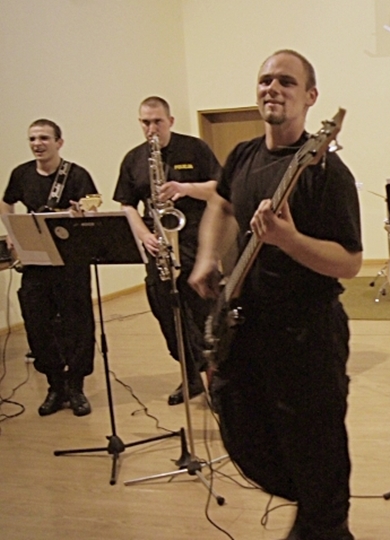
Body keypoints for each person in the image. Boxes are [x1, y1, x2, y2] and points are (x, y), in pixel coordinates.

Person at [189, 50, 361, 540]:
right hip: (245, 326)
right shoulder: (243, 155)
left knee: (317, 449)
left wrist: (289, 240)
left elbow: (349, 262)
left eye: (287, 81)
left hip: (307, 333)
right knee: (243, 432)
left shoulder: (325, 172)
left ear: (310, 97)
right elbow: (222, 205)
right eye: (266, 79)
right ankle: (313, 508)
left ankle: (324, 523)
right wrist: (207, 257)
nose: (273, 88)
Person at [114, 96, 221, 406]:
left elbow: (219, 188)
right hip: (158, 246)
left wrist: (185, 188)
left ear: (170, 121)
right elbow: (126, 205)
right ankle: (190, 376)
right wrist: (144, 235)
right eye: (145, 122)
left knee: (205, 314)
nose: (151, 128)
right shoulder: (133, 159)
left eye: (157, 121)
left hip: (194, 244)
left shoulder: (195, 148)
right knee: (167, 315)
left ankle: (216, 381)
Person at [1, 119, 97, 417]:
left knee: (77, 323)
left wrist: (80, 213)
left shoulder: (77, 175)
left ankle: (76, 387)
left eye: (44, 138)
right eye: (32, 139)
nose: (37, 144)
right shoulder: (21, 174)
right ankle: (55, 386)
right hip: (35, 261)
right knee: (37, 322)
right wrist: (11, 232)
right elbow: (6, 203)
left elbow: (91, 207)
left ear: (59, 142)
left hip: (70, 262)